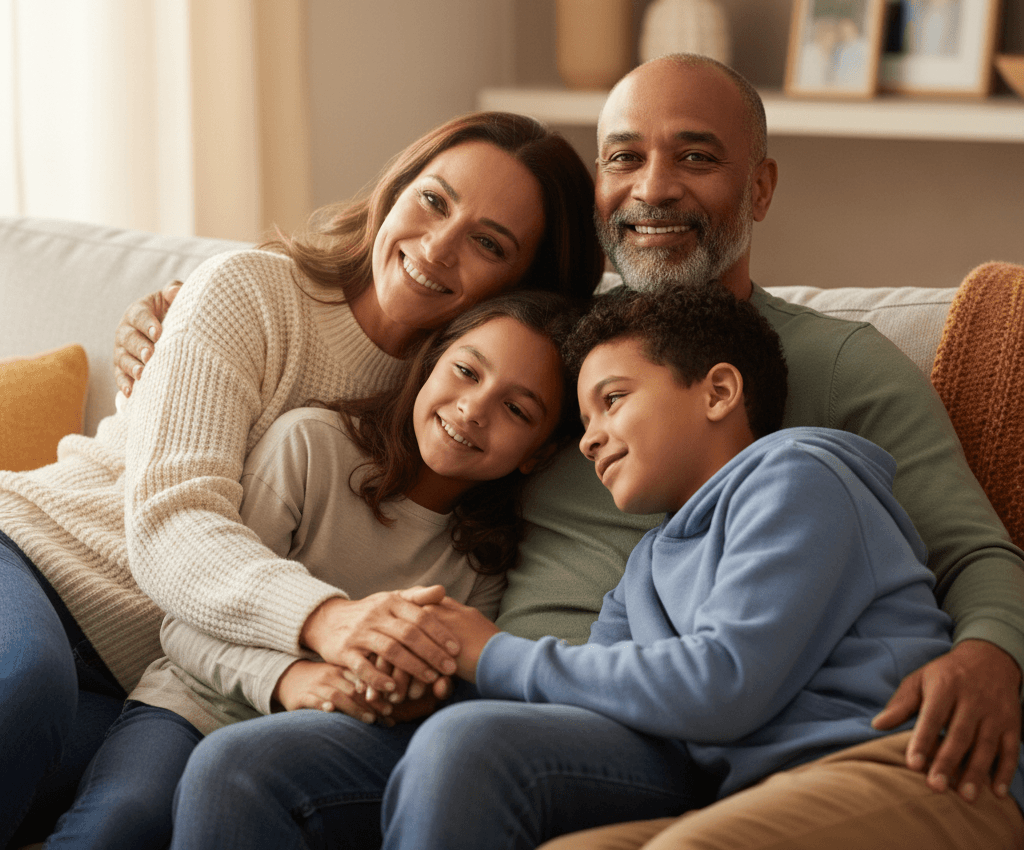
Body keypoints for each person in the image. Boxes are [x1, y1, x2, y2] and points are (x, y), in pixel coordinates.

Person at [118, 56, 1024, 846]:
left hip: (638, 720)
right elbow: (419, 372)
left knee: (465, 752)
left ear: (760, 188)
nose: (653, 186)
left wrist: (993, 656)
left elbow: (974, 550)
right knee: (243, 769)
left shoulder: (834, 369)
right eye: (624, 156)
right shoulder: (557, 339)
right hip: (488, 689)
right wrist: (178, 325)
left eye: (696, 156)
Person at [0, 110, 603, 846]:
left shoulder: (458, 409)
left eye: (488, 242)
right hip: (36, 556)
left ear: (524, 284)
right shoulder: (251, 290)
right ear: (396, 188)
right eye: (434, 200)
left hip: (147, 669)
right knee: (24, 686)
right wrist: (328, 621)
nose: (439, 248)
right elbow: (171, 520)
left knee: (120, 817)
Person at [379, 283, 1024, 850]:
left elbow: (723, 681)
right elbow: (599, 700)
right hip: (765, 793)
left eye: (613, 399)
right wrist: (436, 667)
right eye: (582, 420)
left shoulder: (797, 477)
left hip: (913, 769)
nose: (588, 438)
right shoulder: (648, 565)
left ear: (718, 391)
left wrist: (488, 652)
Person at [43, 290, 583, 850]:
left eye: (517, 410)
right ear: (430, 363)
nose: (474, 408)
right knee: (124, 820)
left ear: (538, 454)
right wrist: (290, 680)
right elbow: (185, 625)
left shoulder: (487, 558)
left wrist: (411, 693)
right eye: (467, 371)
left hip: (319, 747)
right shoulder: (311, 446)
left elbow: (440, 683)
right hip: (197, 703)